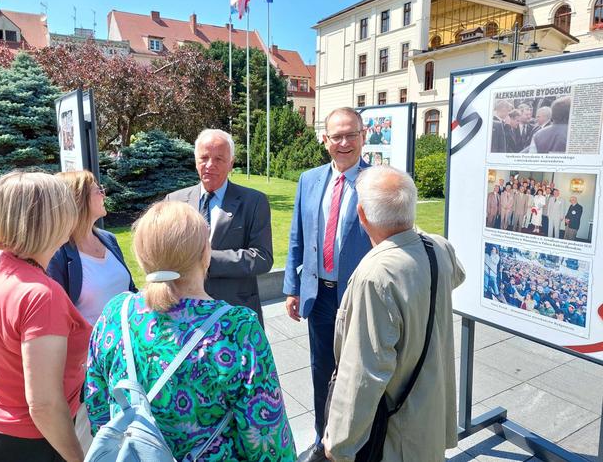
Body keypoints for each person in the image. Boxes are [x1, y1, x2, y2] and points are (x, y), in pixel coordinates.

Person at [84, 201, 296, 460]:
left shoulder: (114, 314)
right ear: (205, 254)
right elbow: (268, 441)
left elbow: (97, 408)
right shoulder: (237, 329)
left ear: (141, 256)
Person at [323, 165, 464, 462]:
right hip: (430, 415)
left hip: (397, 433)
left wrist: (339, 443)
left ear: (361, 215)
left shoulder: (375, 274)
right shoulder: (437, 246)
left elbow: (365, 370)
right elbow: (458, 275)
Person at [0, 172, 90, 462]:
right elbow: (43, 404)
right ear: (54, 221)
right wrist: (77, 457)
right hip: (23, 444)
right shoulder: (41, 295)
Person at [284, 107, 372, 462]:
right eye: (336, 136)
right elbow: (297, 237)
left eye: (351, 134)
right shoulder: (310, 180)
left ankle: (363, 442)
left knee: (361, 374)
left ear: (364, 136)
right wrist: (291, 286)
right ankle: (324, 442)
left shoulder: (379, 180)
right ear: (325, 140)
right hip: (318, 294)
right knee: (322, 370)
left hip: (361, 297)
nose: (344, 142)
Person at [165, 129, 273, 324]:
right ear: (195, 160)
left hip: (234, 312)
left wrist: (206, 259)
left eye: (219, 159)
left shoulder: (254, 201)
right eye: (204, 157)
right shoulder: (175, 201)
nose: (209, 165)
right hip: (184, 312)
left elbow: (263, 258)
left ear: (231, 163)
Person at [48, 171, 136, 325]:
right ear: (78, 200)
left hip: (127, 342)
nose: (104, 195)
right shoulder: (56, 253)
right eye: (98, 191)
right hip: (89, 347)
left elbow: (130, 290)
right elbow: (56, 315)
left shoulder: (109, 239)